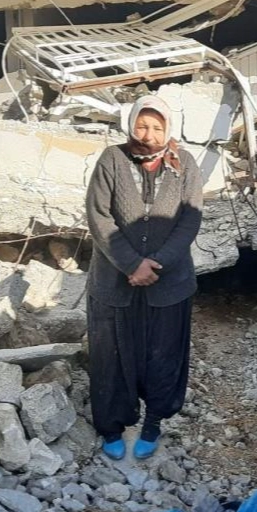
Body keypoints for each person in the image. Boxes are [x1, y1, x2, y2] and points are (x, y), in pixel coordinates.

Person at [85, 95, 203, 461]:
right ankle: (111, 425)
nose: (148, 135)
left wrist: (157, 263)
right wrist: (132, 264)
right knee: (111, 355)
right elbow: (98, 216)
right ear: (130, 124)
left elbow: (190, 220)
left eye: (156, 127)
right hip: (113, 281)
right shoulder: (112, 160)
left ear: (168, 130)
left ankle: (153, 422)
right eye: (141, 126)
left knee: (164, 355)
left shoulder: (185, 164)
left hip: (170, 284)